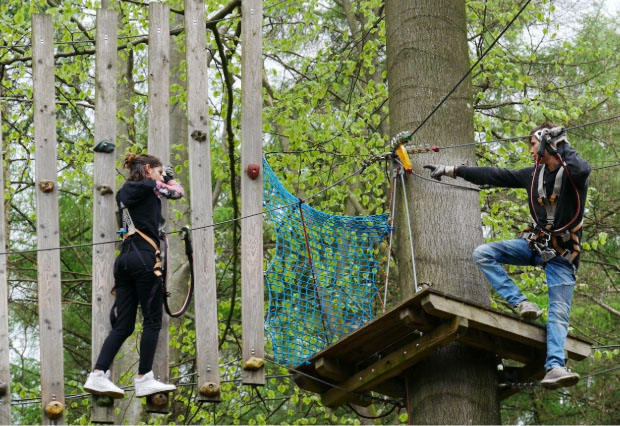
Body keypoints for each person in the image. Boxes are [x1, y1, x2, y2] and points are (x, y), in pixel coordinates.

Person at [424, 122, 591, 389]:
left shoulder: (572, 176)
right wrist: (452, 170)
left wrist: (562, 145)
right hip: (537, 246)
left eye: (534, 144)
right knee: (483, 253)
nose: (530, 150)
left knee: (558, 313)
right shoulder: (532, 175)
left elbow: (583, 169)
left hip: (562, 257)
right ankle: (522, 303)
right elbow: (495, 174)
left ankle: (555, 367)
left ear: (546, 142)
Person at [84, 153, 184, 398]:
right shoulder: (151, 186)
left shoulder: (124, 193)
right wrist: (169, 180)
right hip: (144, 258)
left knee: (124, 325)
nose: (161, 176)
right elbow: (177, 192)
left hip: (125, 259)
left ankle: (98, 374)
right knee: (152, 321)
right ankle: (144, 377)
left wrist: (162, 179)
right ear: (148, 169)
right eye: (158, 171)